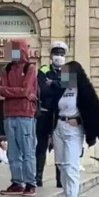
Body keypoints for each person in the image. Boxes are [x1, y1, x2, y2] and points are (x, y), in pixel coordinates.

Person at [40, 48, 99, 197]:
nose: (63, 75)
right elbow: (50, 103)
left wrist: (82, 122)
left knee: (71, 165)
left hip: (73, 129)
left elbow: (95, 111)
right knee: (62, 165)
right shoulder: (60, 90)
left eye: (66, 73)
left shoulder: (83, 91)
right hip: (59, 129)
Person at [0, 38, 38, 196]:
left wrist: (7, 91)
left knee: (27, 150)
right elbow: (18, 91)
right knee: (12, 151)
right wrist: (18, 92)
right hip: (9, 113)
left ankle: (30, 182)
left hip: (25, 114)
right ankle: (17, 182)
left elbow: (25, 90)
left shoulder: (30, 68)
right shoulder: (6, 68)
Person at [36, 42, 68, 188]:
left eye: (62, 54)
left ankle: (60, 180)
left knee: (61, 147)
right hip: (45, 113)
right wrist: (58, 85)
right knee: (41, 146)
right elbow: (42, 90)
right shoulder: (43, 70)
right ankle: (38, 178)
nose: (59, 57)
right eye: (56, 54)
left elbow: (69, 91)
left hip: (62, 115)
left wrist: (53, 84)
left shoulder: (69, 71)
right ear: (50, 56)